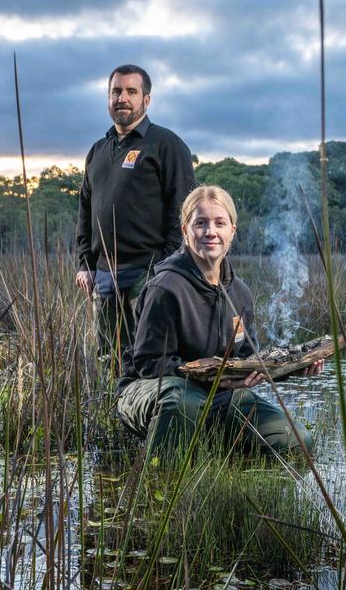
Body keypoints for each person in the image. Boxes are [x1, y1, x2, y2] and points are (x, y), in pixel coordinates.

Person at [116, 185, 319, 457]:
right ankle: (162, 473)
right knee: (182, 401)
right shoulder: (164, 288)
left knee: (298, 442)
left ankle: (213, 446)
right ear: (186, 230)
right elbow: (149, 364)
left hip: (220, 396)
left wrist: (293, 368)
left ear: (232, 231)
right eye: (200, 223)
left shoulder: (240, 292)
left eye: (219, 223)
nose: (210, 232)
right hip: (154, 392)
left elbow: (247, 357)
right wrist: (216, 378)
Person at [76, 64, 195, 372]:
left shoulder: (166, 144)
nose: (123, 98)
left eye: (131, 91)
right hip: (103, 275)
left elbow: (182, 211)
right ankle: (113, 416)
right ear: (108, 97)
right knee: (109, 362)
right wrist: (85, 265)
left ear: (147, 100)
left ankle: (148, 415)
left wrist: (166, 267)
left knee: (149, 358)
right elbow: (85, 210)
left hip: (149, 272)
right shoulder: (97, 151)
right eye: (116, 91)